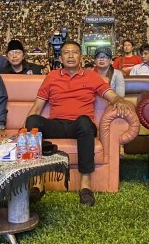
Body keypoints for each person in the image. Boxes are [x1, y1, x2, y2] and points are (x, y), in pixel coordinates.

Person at [26, 41, 131, 206]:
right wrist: (25, 130)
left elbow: (111, 95)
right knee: (32, 121)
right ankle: (37, 183)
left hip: (80, 126)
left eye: (74, 52)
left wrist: (119, 100)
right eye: (66, 53)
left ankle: (85, 186)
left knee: (84, 121)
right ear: (60, 58)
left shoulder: (91, 76)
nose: (70, 56)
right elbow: (37, 108)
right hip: (57, 125)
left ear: (80, 57)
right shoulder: (52, 77)